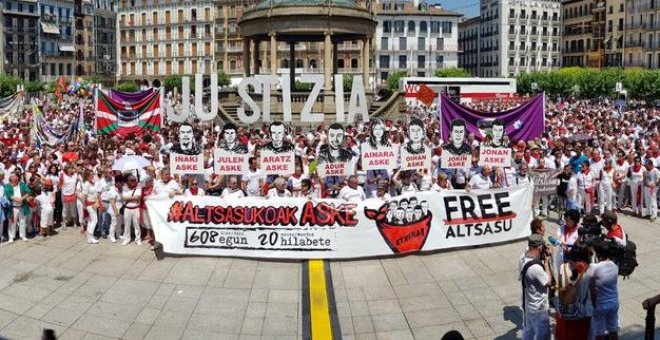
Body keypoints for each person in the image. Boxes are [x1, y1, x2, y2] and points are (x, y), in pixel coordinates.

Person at [556, 243, 593, 340]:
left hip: (565, 312)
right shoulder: (589, 271)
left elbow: (559, 288)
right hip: (582, 313)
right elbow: (593, 293)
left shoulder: (563, 267)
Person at [519, 234, 552, 340]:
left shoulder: (522, 257)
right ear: (539, 247)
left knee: (528, 332)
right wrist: (546, 263)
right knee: (543, 336)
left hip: (529, 304)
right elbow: (549, 282)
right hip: (539, 308)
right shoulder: (536, 268)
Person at [590, 240, 621, 340]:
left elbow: (592, 290)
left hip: (600, 305)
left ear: (598, 254)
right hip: (613, 303)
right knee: (613, 330)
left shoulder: (595, 267)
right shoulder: (615, 266)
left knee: (599, 332)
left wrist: (593, 303)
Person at [4, 173, 31, 242]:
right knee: (12, 222)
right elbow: (7, 194)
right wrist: (14, 198)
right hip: (13, 207)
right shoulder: (8, 185)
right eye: (11, 176)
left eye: (13, 176)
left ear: (17, 177)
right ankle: (11, 237)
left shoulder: (22, 184)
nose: (11, 177)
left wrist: (22, 198)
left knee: (22, 221)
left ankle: (22, 236)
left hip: (22, 206)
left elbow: (28, 192)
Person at [121, 174, 142, 246]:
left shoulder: (138, 188)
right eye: (132, 180)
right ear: (128, 181)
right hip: (127, 208)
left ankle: (138, 239)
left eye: (135, 180)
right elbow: (124, 198)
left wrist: (129, 197)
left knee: (137, 225)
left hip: (136, 208)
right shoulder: (124, 188)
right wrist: (133, 197)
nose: (134, 182)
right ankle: (127, 239)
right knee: (127, 225)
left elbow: (138, 197)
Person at [80, 170, 100, 244]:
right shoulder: (86, 184)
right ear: (87, 176)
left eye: (93, 174)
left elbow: (95, 194)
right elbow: (83, 196)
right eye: (91, 175)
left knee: (90, 221)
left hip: (94, 204)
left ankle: (90, 238)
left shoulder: (93, 183)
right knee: (95, 220)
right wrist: (84, 205)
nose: (92, 176)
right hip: (89, 205)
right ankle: (90, 234)